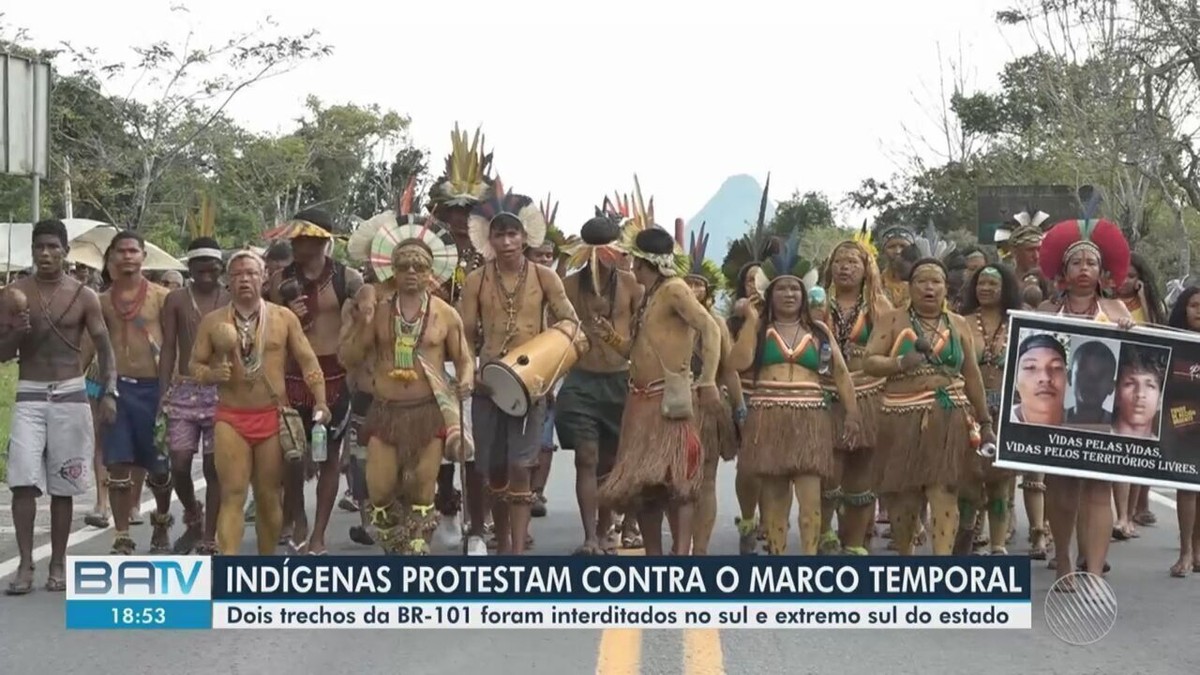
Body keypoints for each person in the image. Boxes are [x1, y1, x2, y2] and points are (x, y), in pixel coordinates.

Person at [727, 235, 861, 555]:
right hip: (768, 417)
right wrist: (751, 320)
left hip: (810, 418)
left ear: (804, 294)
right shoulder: (759, 330)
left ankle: (810, 559)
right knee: (773, 496)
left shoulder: (819, 332)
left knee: (810, 497)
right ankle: (777, 558)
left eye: (795, 289)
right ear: (769, 295)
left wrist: (853, 413)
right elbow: (737, 363)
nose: (789, 294)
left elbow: (840, 374)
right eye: (782, 289)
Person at [461, 191, 578, 554]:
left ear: (525, 237)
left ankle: (515, 549)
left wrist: (549, 370)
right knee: (492, 469)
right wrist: (472, 373)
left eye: (513, 235)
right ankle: (502, 541)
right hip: (489, 387)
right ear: (489, 240)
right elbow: (463, 333)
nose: (507, 242)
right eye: (500, 235)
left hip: (531, 386)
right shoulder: (476, 281)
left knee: (520, 467)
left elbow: (571, 325)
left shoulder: (545, 278)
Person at [1, 219, 115, 594]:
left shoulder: (84, 296)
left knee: (63, 486)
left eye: (53, 247)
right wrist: (17, 329)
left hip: (70, 393)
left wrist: (110, 390)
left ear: (66, 252)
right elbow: (2, 354)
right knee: (21, 483)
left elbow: (103, 345)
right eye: (39, 247)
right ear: (32, 251)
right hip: (30, 393)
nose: (46, 254)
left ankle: (58, 563)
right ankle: (25, 564)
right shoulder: (14, 293)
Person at [339, 237, 473, 554]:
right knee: (381, 492)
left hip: (428, 413)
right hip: (385, 413)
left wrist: (466, 379)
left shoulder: (445, 314)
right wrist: (361, 323)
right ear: (393, 272)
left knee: (422, 490)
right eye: (403, 266)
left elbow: (464, 358)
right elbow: (349, 357)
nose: (411, 271)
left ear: (431, 273)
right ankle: (396, 547)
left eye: (420, 266)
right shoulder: (381, 313)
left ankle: (416, 554)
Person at [191, 250, 330, 554]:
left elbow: (308, 360)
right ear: (228, 280)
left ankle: (265, 567)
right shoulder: (213, 321)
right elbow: (195, 366)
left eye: (251, 273)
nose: (245, 279)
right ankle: (229, 564)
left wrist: (320, 400)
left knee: (268, 496)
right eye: (238, 274)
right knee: (233, 494)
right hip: (231, 418)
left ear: (265, 277)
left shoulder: (283, 318)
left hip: (271, 416)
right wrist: (213, 373)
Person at [596, 226, 721, 555]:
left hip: (668, 402)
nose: (630, 266)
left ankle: (681, 559)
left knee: (678, 485)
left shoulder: (675, 289)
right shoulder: (650, 297)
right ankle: (654, 559)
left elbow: (709, 327)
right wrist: (608, 335)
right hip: (639, 402)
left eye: (633, 260)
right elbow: (631, 351)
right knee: (644, 488)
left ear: (641, 262)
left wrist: (707, 379)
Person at [863, 250, 995, 556]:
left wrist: (985, 421)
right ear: (910, 287)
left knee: (945, 490)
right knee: (905, 496)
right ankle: (907, 559)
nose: (929, 288)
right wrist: (900, 363)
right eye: (922, 281)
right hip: (901, 417)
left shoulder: (958, 324)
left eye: (936, 281)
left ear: (946, 288)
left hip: (949, 417)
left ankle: (942, 565)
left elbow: (972, 375)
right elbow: (869, 362)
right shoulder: (892, 320)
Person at [1036, 216, 1135, 584]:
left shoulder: (1116, 311)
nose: (1083, 269)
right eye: (1076, 262)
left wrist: (1128, 333)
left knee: (1098, 489)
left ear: (1101, 270)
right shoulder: (1045, 312)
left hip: (1102, 419)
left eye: (1091, 263)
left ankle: (1092, 569)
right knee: (1060, 488)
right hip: (1057, 415)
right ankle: (1063, 560)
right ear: (1064, 270)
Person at [267, 208, 364, 555]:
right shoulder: (279, 280)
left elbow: (369, 314)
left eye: (304, 238)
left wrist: (358, 321)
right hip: (291, 378)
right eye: (294, 237)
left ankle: (319, 534)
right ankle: (297, 518)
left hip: (335, 378)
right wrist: (286, 314)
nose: (297, 244)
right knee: (290, 456)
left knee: (330, 459)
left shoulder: (347, 278)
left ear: (322, 240)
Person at [427, 125, 496, 555]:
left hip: (474, 361)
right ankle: (447, 510)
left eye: (466, 210)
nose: (458, 218)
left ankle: (476, 527)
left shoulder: (490, 255)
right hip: (433, 363)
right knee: (438, 446)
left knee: (474, 450)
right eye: (452, 211)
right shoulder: (425, 253)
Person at [83, 231, 174, 555]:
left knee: (160, 468)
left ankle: (161, 523)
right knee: (118, 465)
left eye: (133, 251)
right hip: (115, 389)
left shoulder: (163, 297)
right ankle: (122, 535)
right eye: (120, 252)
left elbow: (175, 345)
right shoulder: (100, 300)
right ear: (111, 259)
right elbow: (87, 347)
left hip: (155, 390)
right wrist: (77, 388)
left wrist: (173, 390)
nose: (127, 257)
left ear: (143, 256)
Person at [817, 232, 892, 555]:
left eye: (852, 262)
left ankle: (855, 543)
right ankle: (823, 533)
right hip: (824, 395)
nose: (844, 268)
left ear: (866, 268)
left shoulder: (879, 306)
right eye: (839, 262)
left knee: (862, 473)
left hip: (869, 394)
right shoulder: (816, 304)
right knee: (826, 472)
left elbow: (891, 349)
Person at [157, 238, 229, 555]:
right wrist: (162, 393)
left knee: (215, 469)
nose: (206, 275)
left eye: (212, 268)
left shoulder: (229, 298)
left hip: (222, 391)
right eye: (199, 269)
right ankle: (194, 515)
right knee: (180, 464)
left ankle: (209, 536)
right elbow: (169, 347)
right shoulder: (175, 300)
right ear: (190, 268)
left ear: (221, 268)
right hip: (184, 388)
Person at [680, 222, 743, 555]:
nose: (692, 288)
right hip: (671, 407)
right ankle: (680, 547)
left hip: (706, 408)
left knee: (705, 481)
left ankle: (700, 551)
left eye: (698, 284)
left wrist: (740, 407)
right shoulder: (667, 318)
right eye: (686, 282)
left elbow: (729, 370)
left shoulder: (716, 324)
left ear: (708, 291)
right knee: (674, 484)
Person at [956, 264, 1023, 556]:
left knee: (1000, 482)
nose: (985, 288)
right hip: (968, 411)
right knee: (968, 481)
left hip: (1007, 412)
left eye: (992, 284)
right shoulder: (960, 322)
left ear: (1005, 288)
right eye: (981, 283)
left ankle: (997, 546)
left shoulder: (1020, 323)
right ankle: (965, 537)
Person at [1113, 253, 1166, 534]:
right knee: (1120, 450)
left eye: (1132, 276)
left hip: (1144, 382)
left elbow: (1157, 329)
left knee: (1138, 453)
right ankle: (1122, 515)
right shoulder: (1108, 303)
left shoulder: (1146, 306)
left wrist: (1144, 299)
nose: (1126, 281)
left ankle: (1132, 513)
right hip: (1116, 382)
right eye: (1122, 275)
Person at [525, 236, 560, 518]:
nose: (546, 260)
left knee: (545, 440)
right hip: (517, 368)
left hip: (550, 370)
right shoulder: (521, 286)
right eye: (540, 255)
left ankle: (537, 491)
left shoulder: (556, 288)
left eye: (549, 255)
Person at [1166, 286, 1200, 577]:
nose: (1199, 311)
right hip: (1184, 416)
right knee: (1187, 484)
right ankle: (1185, 551)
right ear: (1183, 309)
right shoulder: (1171, 341)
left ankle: (1198, 550)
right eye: (1194, 305)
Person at [1064, 341, 1116, 427]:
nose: (1091, 382)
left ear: (1112, 386)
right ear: (1069, 378)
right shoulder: (1053, 419)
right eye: (1084, 374)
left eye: (1101, 376)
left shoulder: (1118, 428)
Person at [994, 208, 1050, 278]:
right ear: (1015, 252)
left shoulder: (1052, 284)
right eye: (1030, 250)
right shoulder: (1005, 284)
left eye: (1039, 249)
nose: (1036, 256)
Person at [873, 224, 917, 309]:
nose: (897, 251)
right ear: (883, 251)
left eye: (903, 246)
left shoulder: (920, 281)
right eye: (892, 247)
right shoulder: (876, 282)